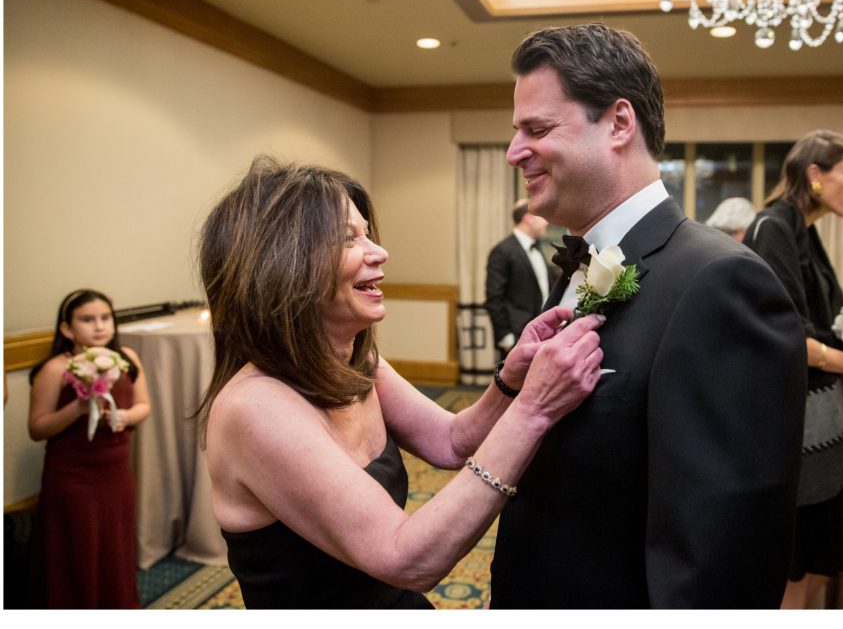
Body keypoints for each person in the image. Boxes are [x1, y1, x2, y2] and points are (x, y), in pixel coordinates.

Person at [489, 23, 807, 609]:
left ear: (618, 123)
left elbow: (725, 550)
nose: (514, 151)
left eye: (537, 129)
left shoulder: (721, 283)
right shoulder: (578, 262)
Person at [194, 157, 605, 609]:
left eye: (366, 232)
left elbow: (450, 442)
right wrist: (534, 410)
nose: (378, 252)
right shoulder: (255, 407)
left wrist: (510, 380)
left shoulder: (357, 360)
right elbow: (406, 559)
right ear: (281, 265)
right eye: (349, 238)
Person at [744, 130, 843, 609]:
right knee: (795, 570)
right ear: (815, 176)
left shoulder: (803, 229)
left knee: (818, 567)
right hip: (798, 425)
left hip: (822, 422)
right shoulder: (774, 227)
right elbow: (786, 334)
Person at [27, 289, 151, 608]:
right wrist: (78, 410)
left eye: (105, 317)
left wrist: (124, 416)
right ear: (67, 329)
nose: (99, 326)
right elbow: (37, 428)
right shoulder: (55, 369)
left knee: (114, 548)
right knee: (77, 549)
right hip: (73, 477)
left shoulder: (126, 358)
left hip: (116, 473)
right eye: (87, 319)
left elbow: (143, 405)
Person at [485, 198, 557, 353]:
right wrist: (506, 338)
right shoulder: (502, 251)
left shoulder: (537, 248)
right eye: (541, 217)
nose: (546, 222)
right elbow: (494, 298)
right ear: (528, 218)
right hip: (518, 336)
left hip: (543, 333)